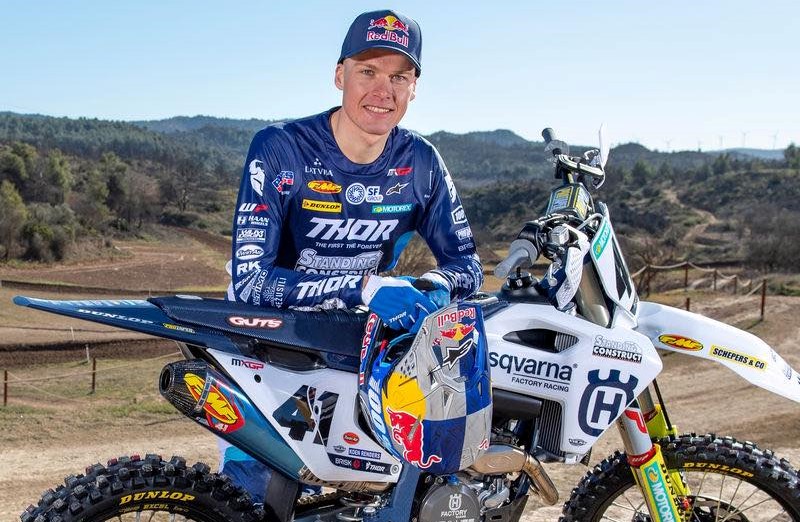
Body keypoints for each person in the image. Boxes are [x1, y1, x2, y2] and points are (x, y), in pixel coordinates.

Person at [222, 8, 483, 503]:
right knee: (253, 498)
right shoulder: (281, 148)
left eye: (399, 77)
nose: (383, 91)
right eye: (368, 71)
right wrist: (361, 288)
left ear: (414, 88)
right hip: (265, 348)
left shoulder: (421, 162)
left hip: (356, 349)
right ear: (340, 75)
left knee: (371, 499)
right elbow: (251, 282)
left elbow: (467, 265)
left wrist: (434, 284)